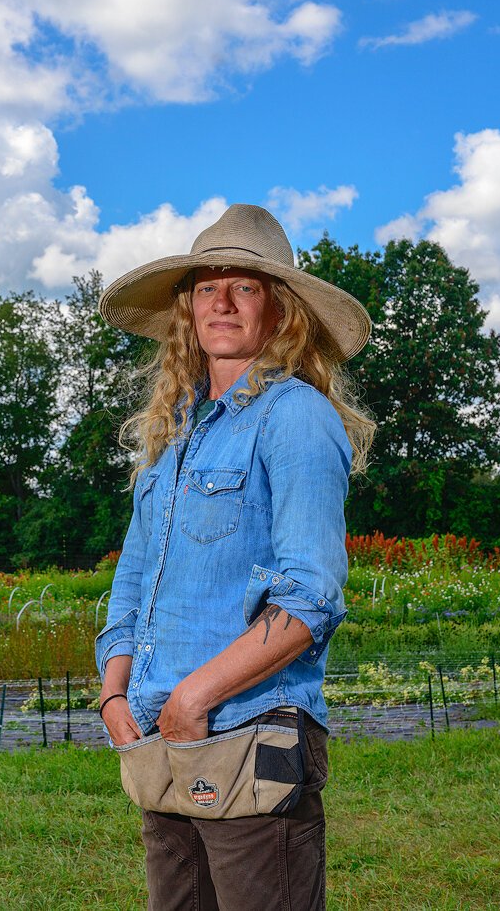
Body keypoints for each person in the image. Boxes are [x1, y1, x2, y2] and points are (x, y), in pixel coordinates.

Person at [95, 203, 375, 910]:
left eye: (245, 286)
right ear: (186, 310)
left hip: (250, 736)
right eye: (207, 286)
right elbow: (132, 583)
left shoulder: (295, 416)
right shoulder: (174, 434)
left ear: (281, 312)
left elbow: (310, 597)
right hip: (160, 738)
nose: (222, 302)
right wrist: (113, 693)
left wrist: (196, 697)